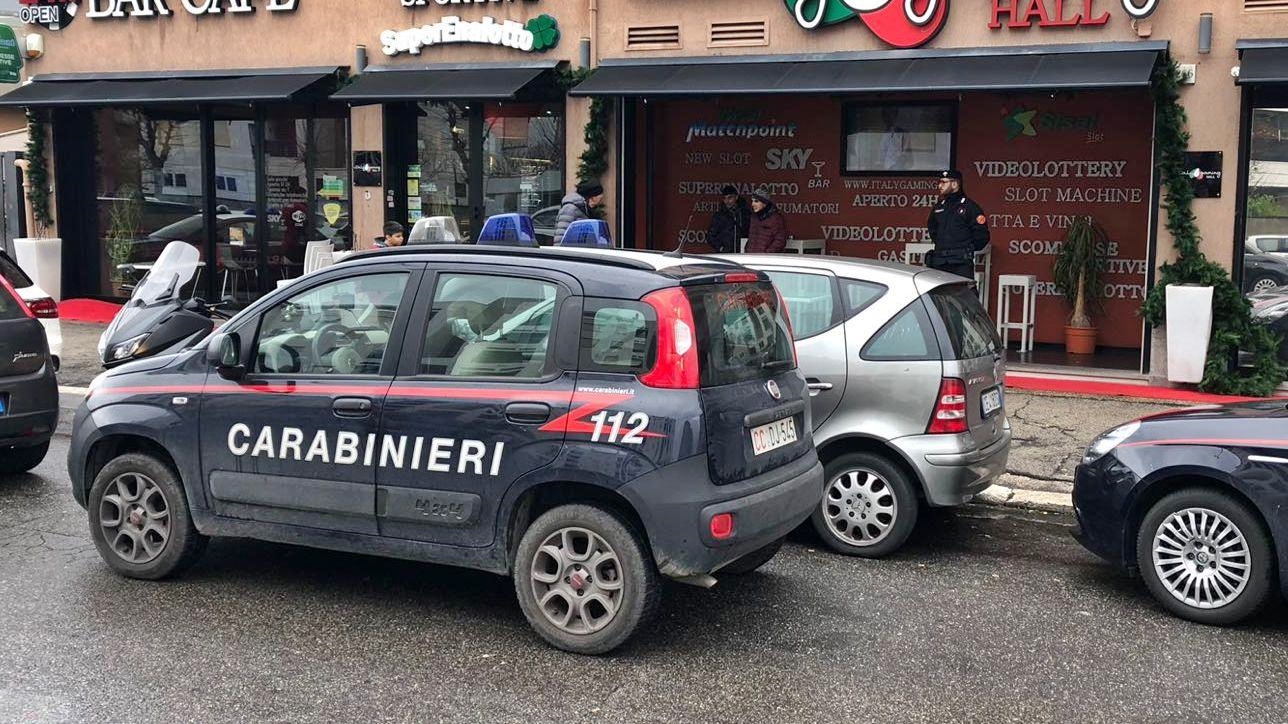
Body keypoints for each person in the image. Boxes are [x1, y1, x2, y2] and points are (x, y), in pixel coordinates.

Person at [926, 169, 989, 279]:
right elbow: (933, 229)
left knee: (965, 294)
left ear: (955, 184)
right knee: (938, 295)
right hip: (940, 260)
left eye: (944, 182)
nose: (940, 186)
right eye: (940, 182)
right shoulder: (939, 206)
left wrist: (967, 248)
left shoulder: (969, 207)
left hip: (960, 262)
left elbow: (982, 235)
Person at [553, 180, 604, 245]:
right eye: (599, 199)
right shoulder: (570, 209)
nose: (598, 202)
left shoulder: (585, 209)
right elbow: (560, 236)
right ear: (592, 197)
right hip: (572, 251)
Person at [706, 184, 750, 253]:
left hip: (742, 253)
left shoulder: (745, 214)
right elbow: (710, 236)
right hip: (725, 254)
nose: (727, 201)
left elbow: (750, 233)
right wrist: (720, 248)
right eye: (724, 198)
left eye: (730, 198)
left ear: (736, 197)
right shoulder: (719, 216)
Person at [746, 187, 789, 254]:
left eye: (756, 201)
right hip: (751, 257)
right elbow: (751, 237)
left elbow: (780, 241)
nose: (752, 204)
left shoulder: (775, 218)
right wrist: (747, 249)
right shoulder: (754, 217)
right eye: (752, 201)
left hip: (767, 259)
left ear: (765, 203)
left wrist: (767, 253)